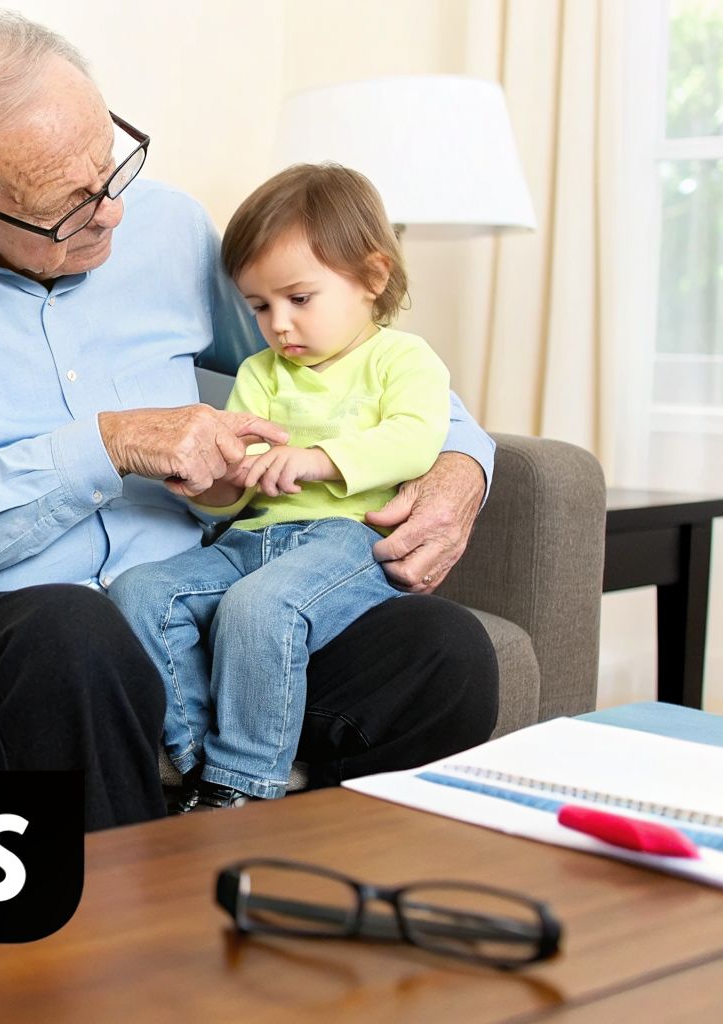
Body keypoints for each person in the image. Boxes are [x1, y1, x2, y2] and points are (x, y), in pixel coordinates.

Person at [0, 12, 499, 831]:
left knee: (440, 655)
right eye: (68, 207)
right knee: (74, 631)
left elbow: (319, 365)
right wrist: (108, 444)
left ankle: (308, 912)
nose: (112, 215)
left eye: (112, 166)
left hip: (181, 588)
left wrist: (461, 460)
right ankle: (126, 946)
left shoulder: (168, 224)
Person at [108, 163, 451, 813]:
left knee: (261, 607)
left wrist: (318, 459)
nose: (278, 325)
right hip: (254, 537)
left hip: (349, 540)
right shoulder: (260, 373)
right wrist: (210, 485)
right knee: (140, 591)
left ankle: (242, 784)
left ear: (372, 279)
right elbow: (239, 492)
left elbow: (415, 440)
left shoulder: (401, 360)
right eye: (259, 307)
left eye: (299, 299)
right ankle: (198, 763)